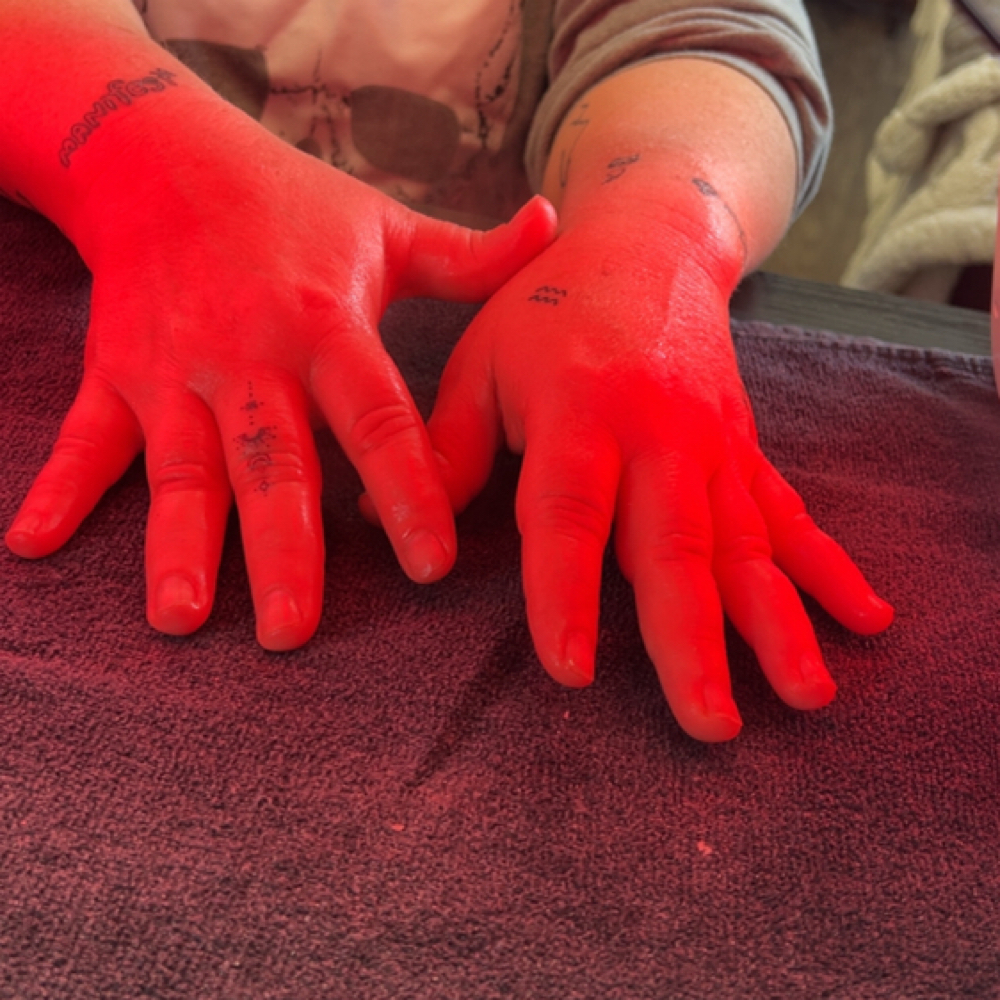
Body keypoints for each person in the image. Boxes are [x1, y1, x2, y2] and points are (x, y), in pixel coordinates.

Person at [0, 0, 893, 742]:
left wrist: (659, 234)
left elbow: (707, 35)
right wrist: (147, 162)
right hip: (102, 320)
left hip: (516, 355)